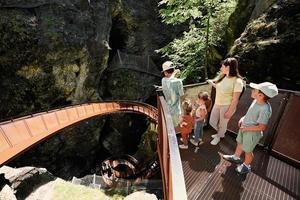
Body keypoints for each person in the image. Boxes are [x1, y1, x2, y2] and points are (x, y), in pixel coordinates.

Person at [223, 82, 278, 174]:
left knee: (248, 150)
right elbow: (250, 113)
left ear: (260, 95)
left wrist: (246, 129)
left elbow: (261, 127)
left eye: (255, 90)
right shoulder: (255, 100)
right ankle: (236, 157)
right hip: (244, 128)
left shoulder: (265, 110)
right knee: (240, 143)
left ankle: (246, 166)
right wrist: (243, 118)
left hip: (252, 133)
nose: (252, 90)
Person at [207, 57, 244, 145]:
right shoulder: (223, 77)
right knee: (212, 121)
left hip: (227, 106)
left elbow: (235, 99)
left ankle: (219, 136)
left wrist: (230, 111)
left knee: (222, 124)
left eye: (222, 66)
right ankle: (221, 133)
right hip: (217, 104)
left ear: (228, 68)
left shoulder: (237, 81)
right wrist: (211, 82)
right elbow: (219, 88)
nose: (221, 68)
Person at [161, 61, 184, 127]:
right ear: (174, 70)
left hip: (167, 109)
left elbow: (169, 80)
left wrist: (173, 73)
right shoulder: (179, 82)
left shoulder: (163, 80)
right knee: (176, 127)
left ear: (165, 72)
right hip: (176, 110)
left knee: (170, 127)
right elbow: (181, 94)